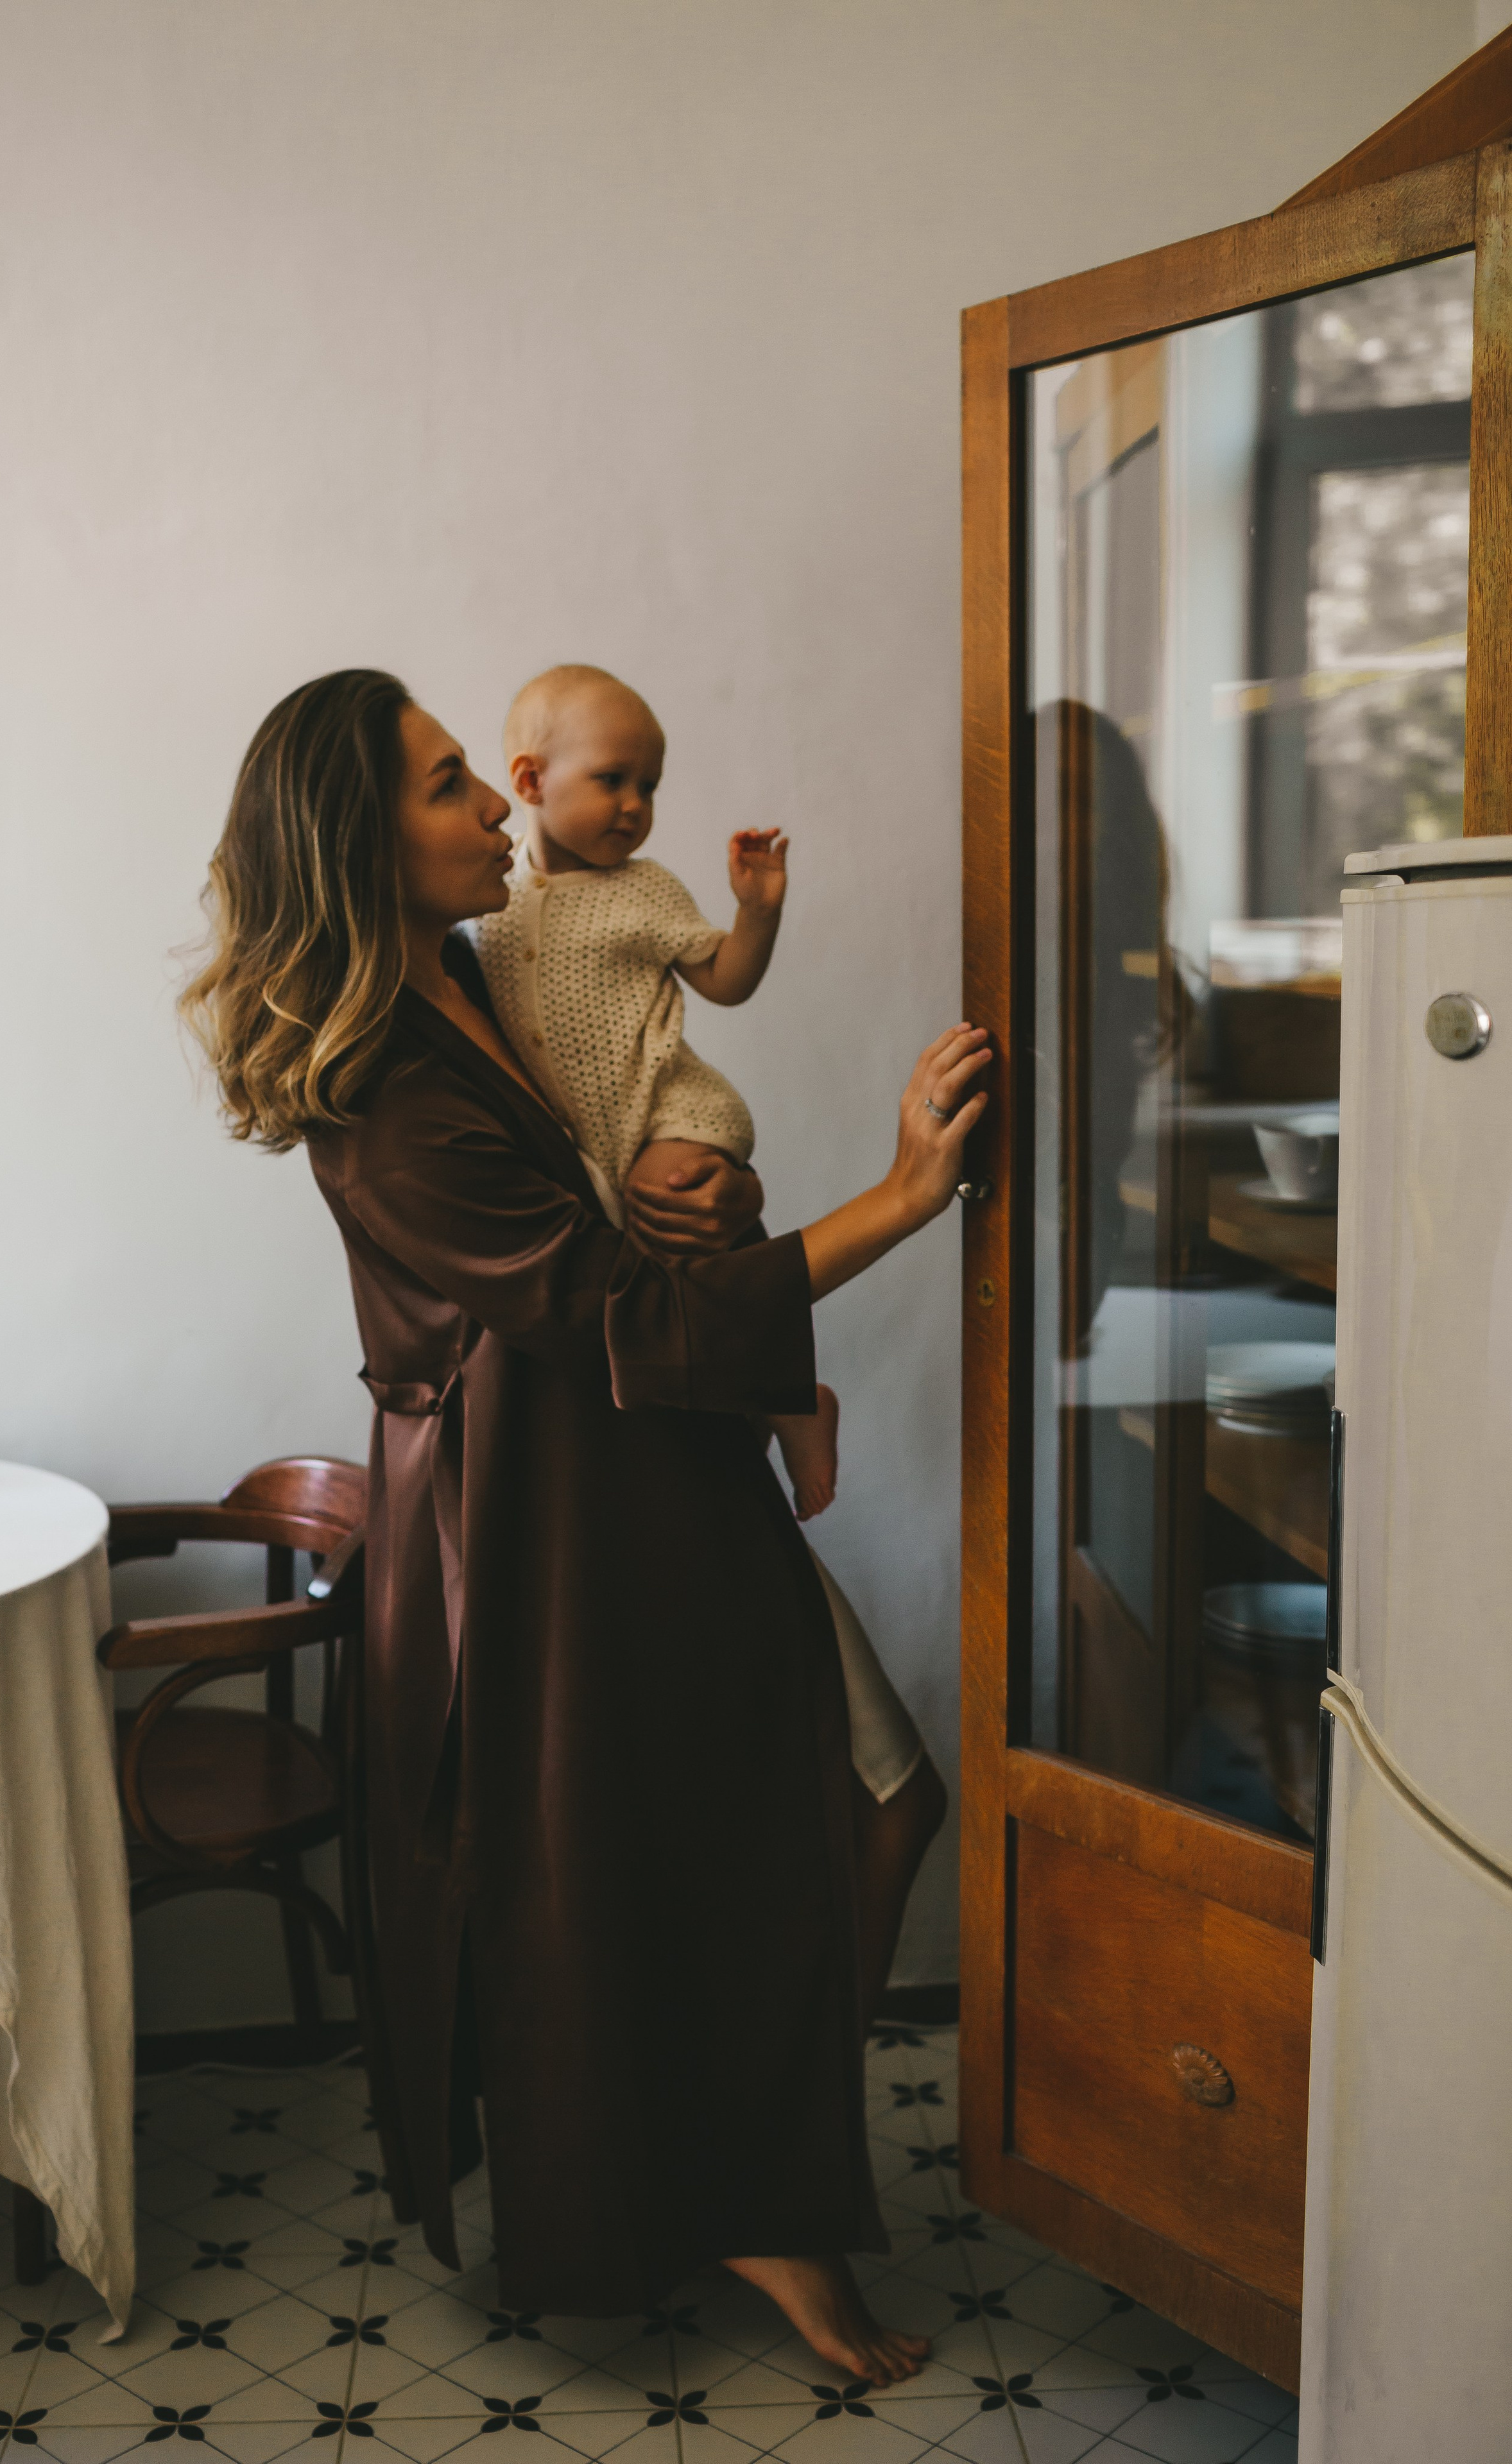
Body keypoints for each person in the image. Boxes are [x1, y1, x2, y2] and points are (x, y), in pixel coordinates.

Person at [180, 669, 990, 2390]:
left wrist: (719, 1196)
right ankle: (748, 2193)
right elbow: (618, 1314)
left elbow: (636, 1198)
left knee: (845, 1810)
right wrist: (904, 1199)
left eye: (484, 774)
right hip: (546, 1532)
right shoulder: (390, 1089)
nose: (496, 806)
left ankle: (753, 2168)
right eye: (452, 782)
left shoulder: (474, 979)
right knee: (684, 1854)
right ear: (358, 841)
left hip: (638, 1481)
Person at [477, 662, 838, 1521]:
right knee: (653, 1303)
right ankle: (745, 1412)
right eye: (614, 780)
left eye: (650, 786)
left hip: (668, 1110)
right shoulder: (488, 904)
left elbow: (722, 979)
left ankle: (794, 1400)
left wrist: (757, 915)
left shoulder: (643, 888)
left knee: (683, 1208)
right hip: (584, 1146)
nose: (637, 804)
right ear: (530, 780)